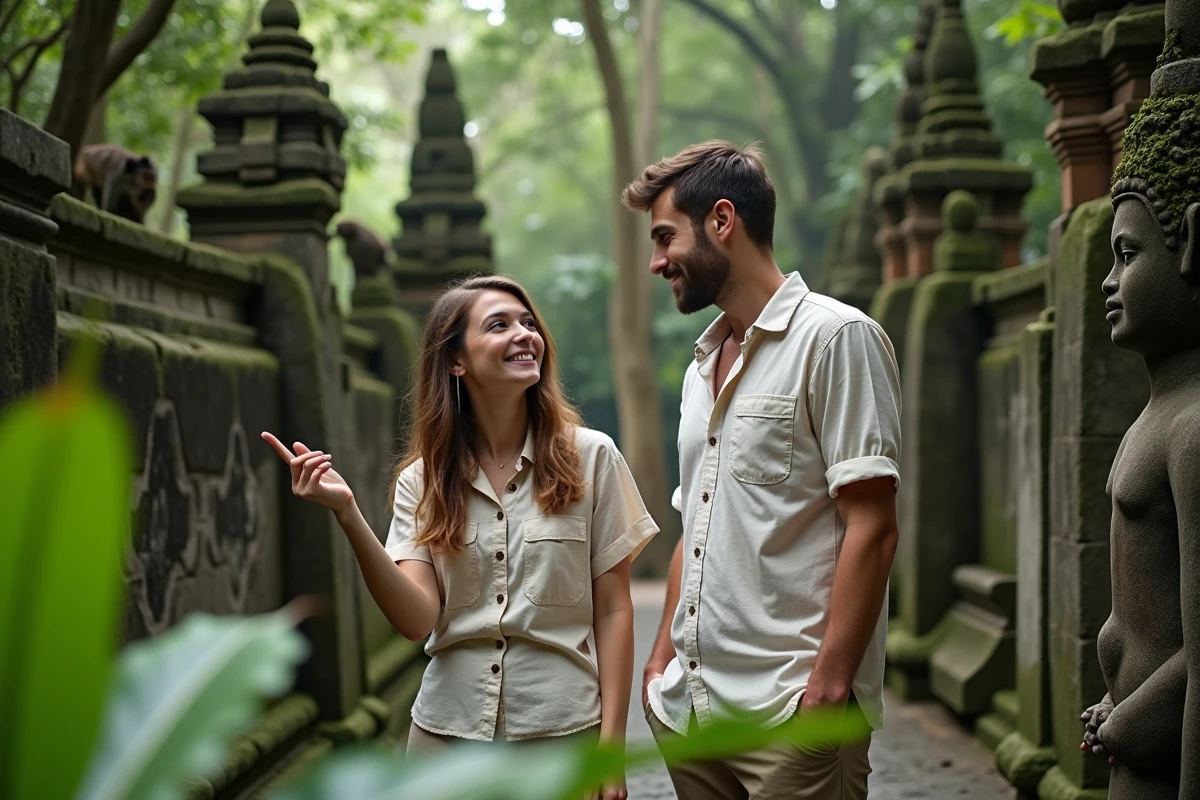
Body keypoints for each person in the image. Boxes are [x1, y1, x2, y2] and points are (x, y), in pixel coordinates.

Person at [262, 275, 658, 800]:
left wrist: (611, 755)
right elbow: (416, 619)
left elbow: (614, 611)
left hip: (562, 741)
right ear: (456, 360)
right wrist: (349, 514)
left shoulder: (592, 459)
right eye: (500, 325)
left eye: (528, 323)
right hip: (444, 745)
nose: (525, 335)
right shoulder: (420, 482)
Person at [624, 140, 902, 800]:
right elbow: (692, 521)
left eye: (665, 237)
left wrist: (829, 692)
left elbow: (873, 526)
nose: (657, 261)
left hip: (790, 716)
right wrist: (660, 661)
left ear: (723, 222)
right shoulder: (701, 366)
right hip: (691, 714)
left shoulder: (837, 339)